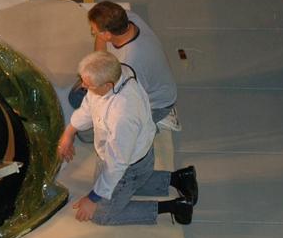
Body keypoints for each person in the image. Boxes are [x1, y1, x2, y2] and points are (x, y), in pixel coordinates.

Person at [57, 52, 197, 226]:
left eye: (87, 84)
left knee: (101, 215)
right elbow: (88, 106)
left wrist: (93, 199)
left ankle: (175, 206)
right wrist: (69, 132)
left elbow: (117, 163)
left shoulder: (122, 114)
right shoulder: (112, 76)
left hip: (130, 166)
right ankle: (179, 178)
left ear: (108, 85)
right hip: (128, 158)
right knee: (108, 184)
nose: (82, 86)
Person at [69, 1, 180, 131]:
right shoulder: (126, 18)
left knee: (106, 122)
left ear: (108, 34)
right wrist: (98, 66)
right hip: (144, 80)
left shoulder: (130, 63)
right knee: (78, 95)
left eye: (94, 30)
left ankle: (159, 118)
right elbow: (100, 51)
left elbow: (122, 97)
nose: (92, 31)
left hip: (156, 103)